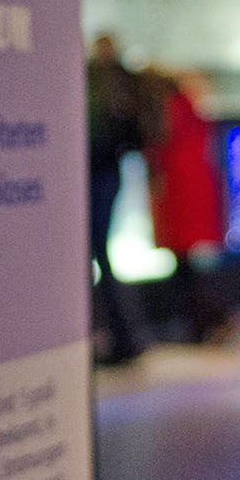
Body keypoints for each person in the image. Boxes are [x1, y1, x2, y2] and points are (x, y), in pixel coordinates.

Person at [145, 67, 231, 343]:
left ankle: (204, 323)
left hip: (177, 195)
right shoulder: (189, 107)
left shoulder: (167, 111)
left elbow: (158, 151)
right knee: (191, 264)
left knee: (186, 266)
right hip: (194, 193)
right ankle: (209, 321)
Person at [87, 34, 152, 363]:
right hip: (108, 172)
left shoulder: (100, 80)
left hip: (99, 173)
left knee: (99, 255)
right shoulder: (118, 79)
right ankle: (124, 335)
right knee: (102, 255)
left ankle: (123, 336)